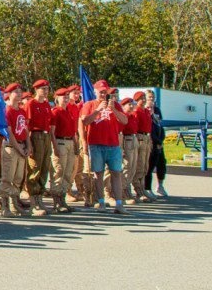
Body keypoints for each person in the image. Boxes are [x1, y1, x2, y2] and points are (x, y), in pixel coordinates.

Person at [81, 82, 128, 214]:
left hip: (113, 144)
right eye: (101, 92)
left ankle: (119, 204)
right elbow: (85, 121)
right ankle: (101, 202)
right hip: (96, 144)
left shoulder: (115, 104)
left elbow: (125, 121)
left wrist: (114, 110)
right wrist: (98, 110)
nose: (103, 94)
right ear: (95, 92)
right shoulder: (89, 104)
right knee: (98, 174)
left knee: (116, 173)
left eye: (105, 92)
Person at [0, 84, 31, 218]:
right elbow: (10, 133)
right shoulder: (7, 111)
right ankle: (5, 206)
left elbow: (25, 130)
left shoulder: (22, 111)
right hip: (11, 147)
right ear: (9, 94)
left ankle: (15, 205)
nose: (19, 94)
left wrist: (29, 146)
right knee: (8, 178)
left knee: (18, 178)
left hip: (21, 146)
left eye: (20, 92)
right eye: (15, 92)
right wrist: (19, 149)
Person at [24, 80, 54, 216]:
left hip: (46, 136)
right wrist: (29, 143)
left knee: (44, 167)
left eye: (47, 89)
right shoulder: (31, 104)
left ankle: (40, 198)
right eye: (43, 89)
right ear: (36, 90)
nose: (46, 91)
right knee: (35, 168)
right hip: (36, 136)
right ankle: (33, 201)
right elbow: (26, 125)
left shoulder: (47, 104)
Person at [48, 87, 77, 213]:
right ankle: (57, 201)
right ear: (56, 98)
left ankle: (63, 198)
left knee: (68, 172)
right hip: (60, 142)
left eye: (67, 96)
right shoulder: (55, 112)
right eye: (63, 97)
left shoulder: (68, 111)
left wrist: (75, 144)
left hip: (69, 142)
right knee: (58, 171)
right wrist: (55, 147)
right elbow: (52, 132)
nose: (65, 99)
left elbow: (73, 131)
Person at [132, 91, 154, 202]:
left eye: (144, 98)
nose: (144, 100)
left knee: (145, 166)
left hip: (146, 137)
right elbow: (135, 127)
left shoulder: (146, 111)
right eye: (141, 98)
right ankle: (138, 191)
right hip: (140, 137)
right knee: (139, 166)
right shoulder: (136, 111)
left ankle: (143, 188)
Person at [145, 99, 168, 198]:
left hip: (158, 146)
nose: (150, 109)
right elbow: (150, 133)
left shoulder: (155, 118)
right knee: (149, 168)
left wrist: (160, 142)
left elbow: (161, 130)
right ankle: (147, 188)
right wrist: (157, 142)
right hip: (150, 145)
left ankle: (160, 186)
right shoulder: (146, 118)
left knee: (161, 164)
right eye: (148, 107)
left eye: (152, 107)